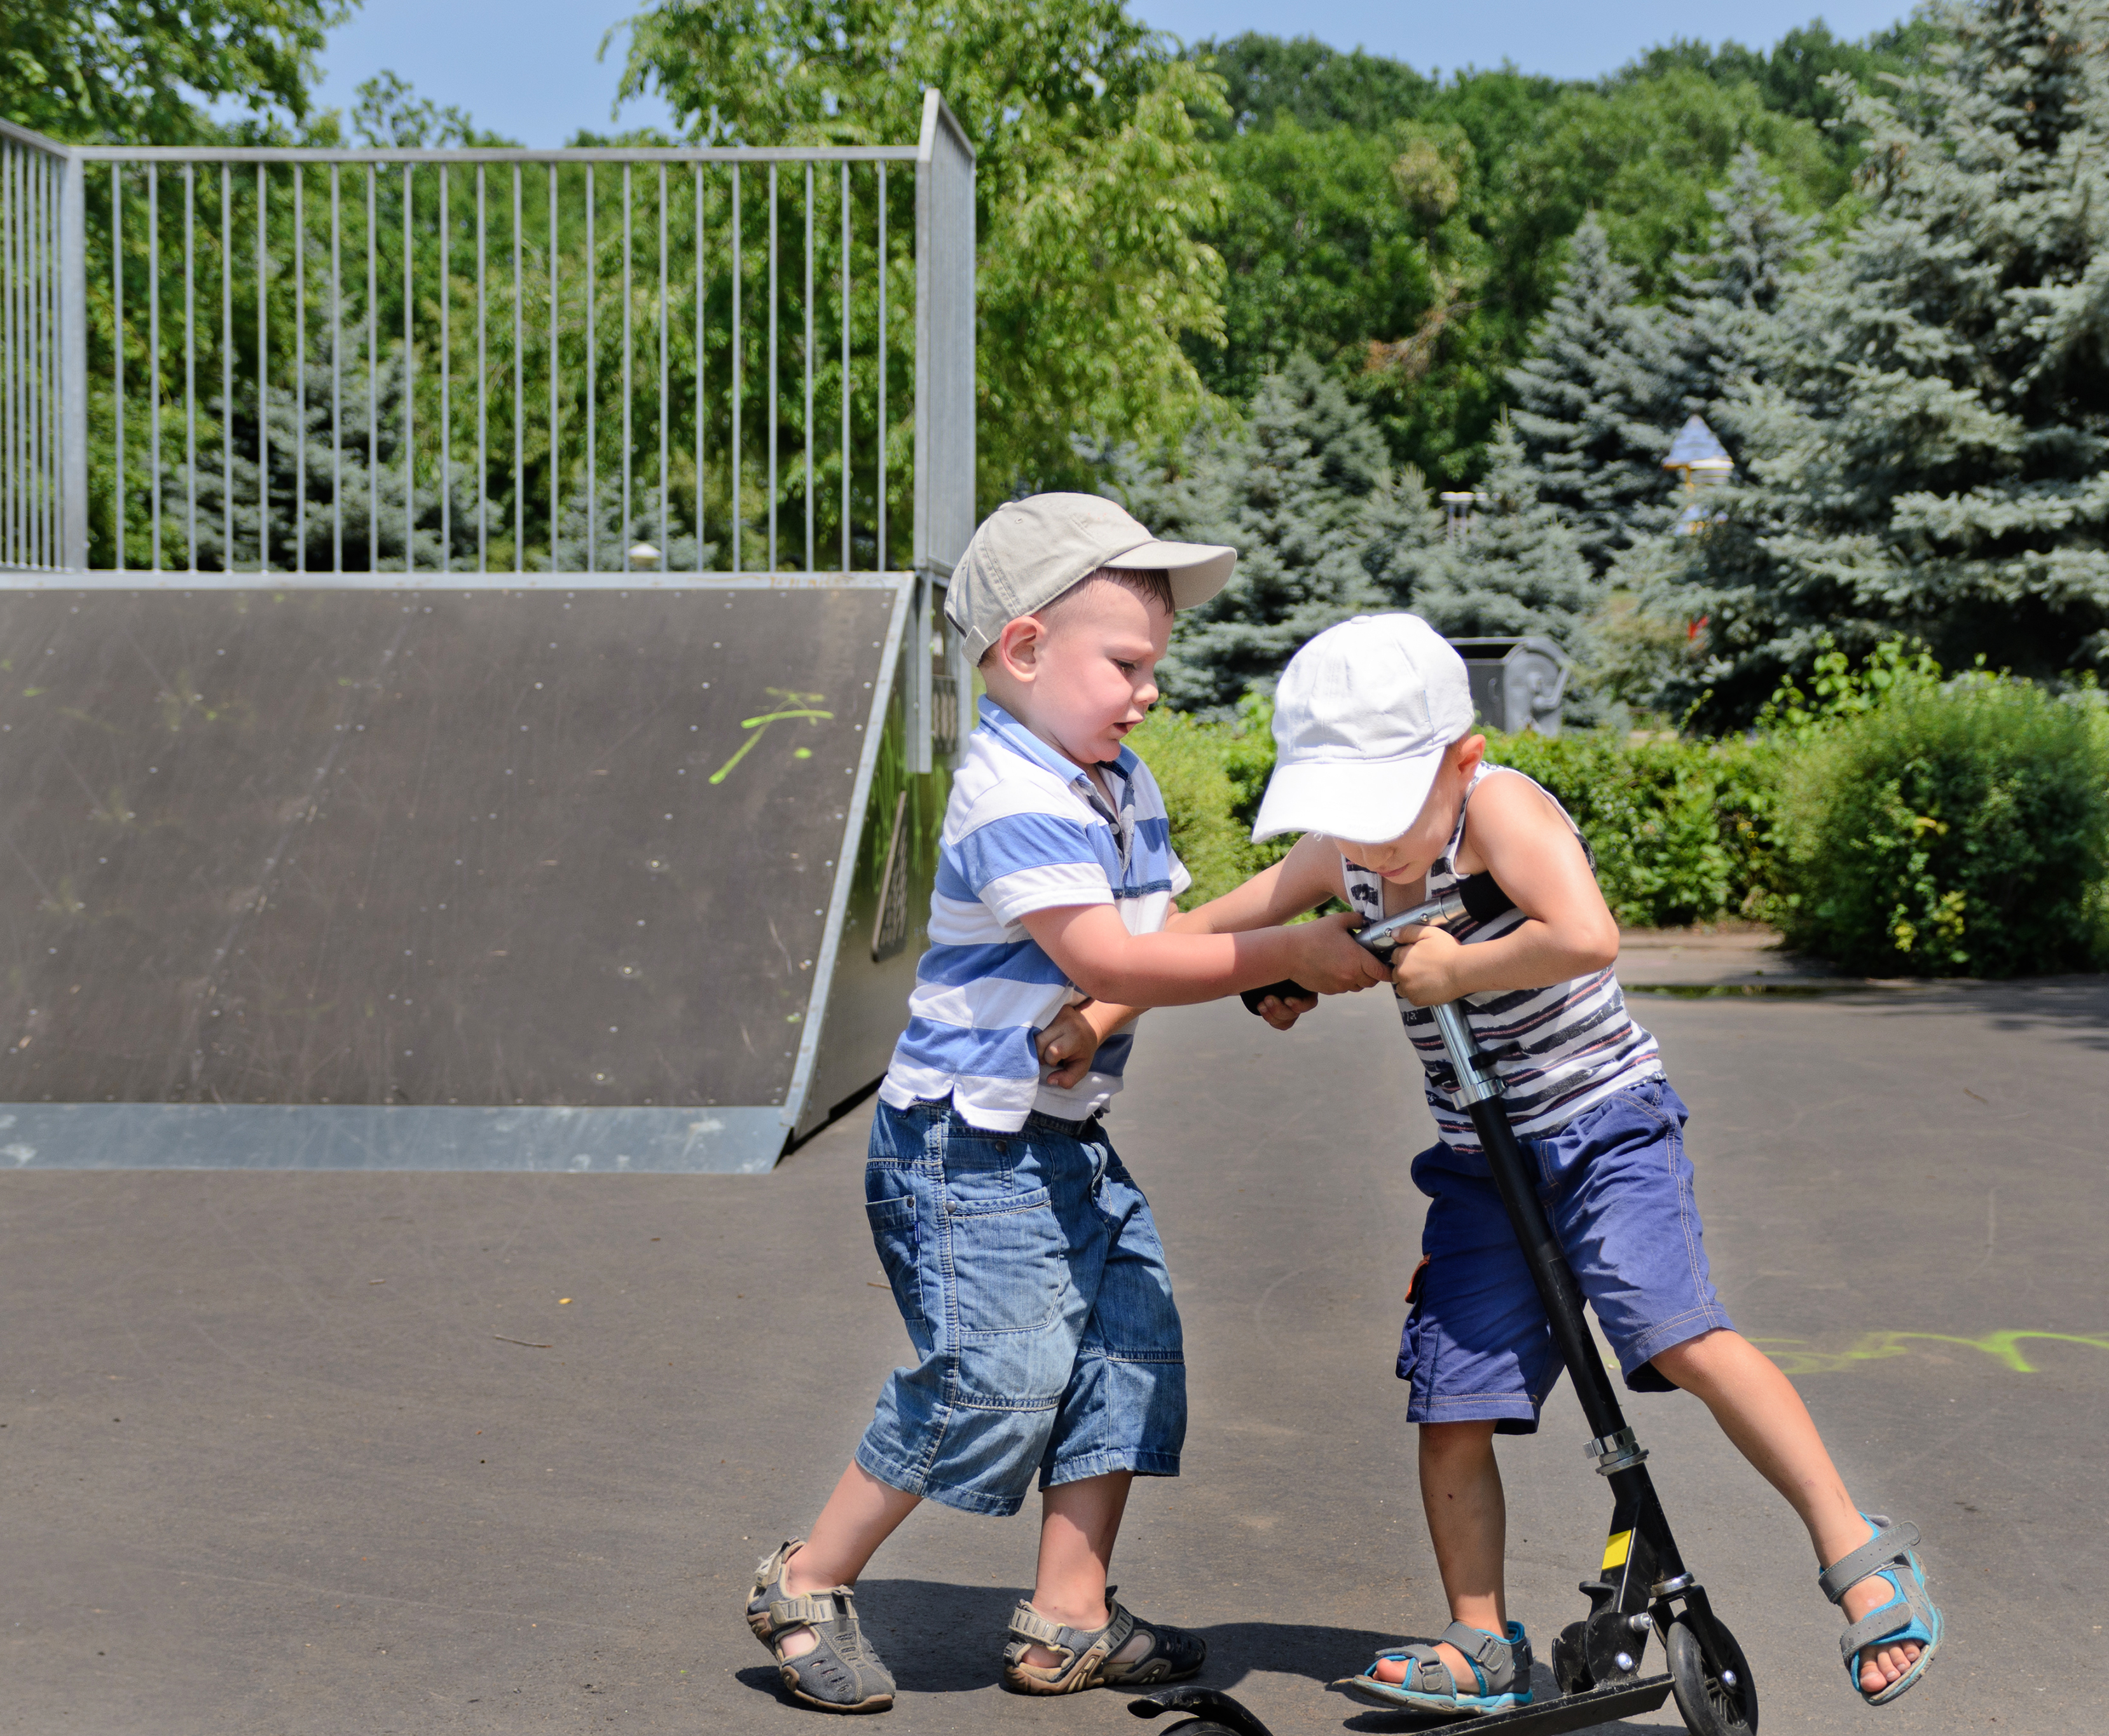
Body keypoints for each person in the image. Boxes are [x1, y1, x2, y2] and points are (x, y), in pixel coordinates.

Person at [1180, 612, 1941, 1714]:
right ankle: (1480, 1640)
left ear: (1461, 759)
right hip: (1478, 1167)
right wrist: (1140, 989)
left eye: (1387, 809)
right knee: (1451, 1396)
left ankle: (1858, 1552)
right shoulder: (1342, 854)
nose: (1368, 845)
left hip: (1603, 1129)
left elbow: (1586, 933)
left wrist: (1458, 967)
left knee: (1678, 1333)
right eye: (1341, 814)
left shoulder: (1500, 809)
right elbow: (1213, 931)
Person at [743, 495, 1389, 1714]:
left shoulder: (1110, 778)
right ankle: (807, 1579)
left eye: (1155, 667)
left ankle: (1068, 1619)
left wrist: (1265, 954)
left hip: (1058, 1137)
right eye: (1126, 665)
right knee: (996, 1377)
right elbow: (1117, 963)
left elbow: (1166, 937)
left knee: (1129, 1353)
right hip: (962, 1145)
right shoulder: (1012, 793)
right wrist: (1286, 956)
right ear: (1027, 648)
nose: (1148, 691)